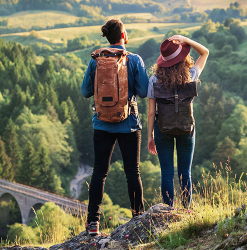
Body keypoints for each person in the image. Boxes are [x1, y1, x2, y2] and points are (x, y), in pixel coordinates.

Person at [81, 19, 148, 235]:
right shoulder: (134, 60)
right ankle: (138, 218)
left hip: (101, 123)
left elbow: (85, 92)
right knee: (132, 172)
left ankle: (93, 224)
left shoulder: (96, 61)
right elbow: (145, 91)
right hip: (128, 123)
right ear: (123, 35)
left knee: (99, 172)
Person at [147, 35, 209, 207]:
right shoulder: (191, 75)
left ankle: (168, 210)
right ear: (183, 59)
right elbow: (205, 53)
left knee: (166, 173)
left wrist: (150, 137)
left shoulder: (154, 80)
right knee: (185, 173)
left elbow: (151, 113)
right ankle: (186, 210)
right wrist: (186, 40)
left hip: (162, 129)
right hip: (186, 128)